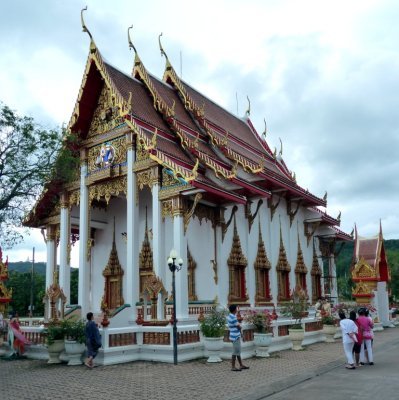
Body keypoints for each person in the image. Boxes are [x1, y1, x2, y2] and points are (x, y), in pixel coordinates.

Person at [227, 305, 249, 372]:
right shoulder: (233, 317)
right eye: (236, 309)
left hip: (233, 335)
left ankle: (241, 365)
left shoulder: (229, 316)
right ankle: (233, 367)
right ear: (234, 310)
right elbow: (238, 327)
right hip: (235, 336)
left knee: (238, 351)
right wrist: (240, 326)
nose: (237, 310)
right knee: (235, 351)